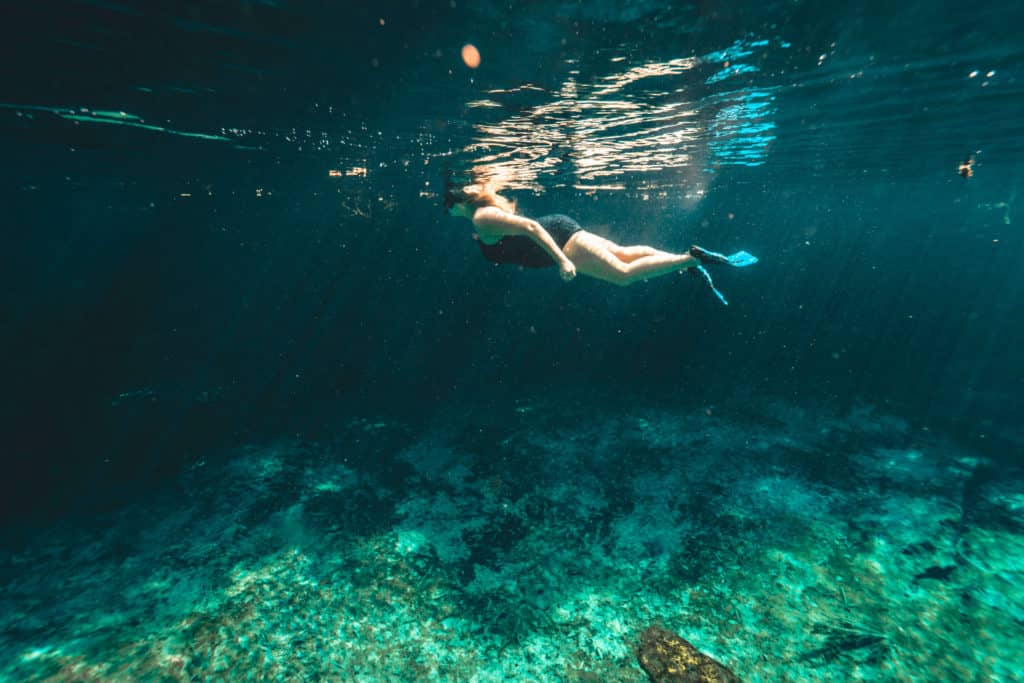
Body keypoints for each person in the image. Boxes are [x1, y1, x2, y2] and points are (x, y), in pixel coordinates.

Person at [444, 178, 757, 305]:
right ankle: (687, 261)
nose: (445, 210)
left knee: (622, 276)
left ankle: (692, 260)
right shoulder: (482, 216)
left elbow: (528, 227)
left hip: (560, 239)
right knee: (623, 254)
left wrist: (562, 260)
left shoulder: (480, 218)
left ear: (456, 201)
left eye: (446, 202)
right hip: (560, 228)